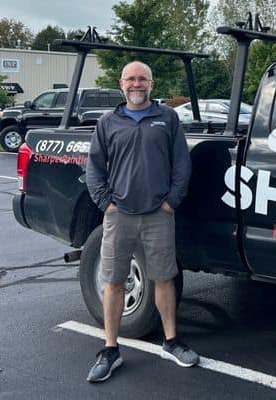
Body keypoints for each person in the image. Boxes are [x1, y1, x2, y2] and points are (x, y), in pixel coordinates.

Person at [85, 61, 196, 383]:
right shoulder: (108, 122)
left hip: (158, 216)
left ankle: (171, 341)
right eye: (131, 79)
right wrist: (106, 203)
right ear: (121, 84)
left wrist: (171, 201)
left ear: (152, 83)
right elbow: (94, 167)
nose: (137, 84)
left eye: (143, 79)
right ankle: (109, 349)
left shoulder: (167, 118)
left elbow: (181, 164)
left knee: (163, 277)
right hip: (119, 216)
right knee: (115, 281)